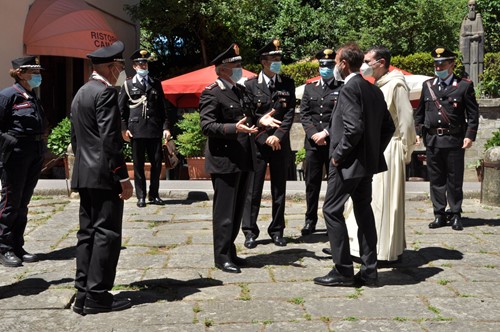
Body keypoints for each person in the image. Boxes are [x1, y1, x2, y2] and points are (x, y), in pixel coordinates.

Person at [313, 43, 395, 287]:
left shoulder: (350, 88)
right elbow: (388, 127)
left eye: (336, 60)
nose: (335, 65)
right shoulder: (372, 89)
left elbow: (354, 128)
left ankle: (343, 270)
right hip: (365, 165)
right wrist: (371, 151)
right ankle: (369, 270)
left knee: (331, 211)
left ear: (343, 64)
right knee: (363, 212)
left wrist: (339, 155)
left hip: (347, 165)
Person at [199, 43, 280, 273]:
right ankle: (221, 256)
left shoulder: (240, 90)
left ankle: (230, 250)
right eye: (235, 65)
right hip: (224, 159)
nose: (239, 68)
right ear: (222, 68)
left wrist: (261, 120)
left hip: (244, 157)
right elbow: (207, 125)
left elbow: (251, 116)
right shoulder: (212, 92)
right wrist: (233, 128)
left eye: (239, 65)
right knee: (224, 212)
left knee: (236, 211)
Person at [70, 40, 134, 314]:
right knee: (106, 234)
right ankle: (98, 295)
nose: (122, 71)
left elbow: (76, 139)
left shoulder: (82, 92)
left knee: (87, 234)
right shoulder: (105, 93)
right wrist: (122, 177)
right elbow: (110, 141)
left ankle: (83, 291)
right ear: (110, 67)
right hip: (104, 174)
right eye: (120, 66)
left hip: (85, 173)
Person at [344, 46, 417, 262]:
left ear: (382, 62)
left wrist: (406, 149)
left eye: (368, 61)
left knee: (383, 200)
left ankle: (383, 250)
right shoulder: (378, 84)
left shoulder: (396, 84)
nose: (364, 65)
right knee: (368, 199)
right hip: (375, 146)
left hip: (390, 147)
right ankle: (359, 247)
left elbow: (406, 120)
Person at [415, 47, 479, 231]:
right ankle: (439, 214)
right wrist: (418, 132)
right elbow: (420, 113)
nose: (438, 66)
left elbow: (473, 114)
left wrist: (470, 136)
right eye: (436, 63)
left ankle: (456, 213)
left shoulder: (464, 86)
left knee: (454, 179)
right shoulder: (428, 86)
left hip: (453, 139)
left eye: (442, 63)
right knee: (436, 179)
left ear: (451, 64)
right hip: (433, 140)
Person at [242, 39, 296, 249]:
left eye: (279, 58)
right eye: (274, 59)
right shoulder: (250, 85)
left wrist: (278, 136)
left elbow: (290, 113)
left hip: (280, 143)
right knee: (253, 190)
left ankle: (277, 230)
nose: (278, 62)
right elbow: (248, 115)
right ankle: (250, 231)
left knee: (279, 189)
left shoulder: (287, 83)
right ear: (263, 62)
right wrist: (265, 137)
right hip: (258, 142)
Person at [0, 56, 46, 267]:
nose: (38, 76)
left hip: (34, 152)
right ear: (20, 72)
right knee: (10, 202)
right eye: (33, 72)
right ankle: (4, 247)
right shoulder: (8, 96)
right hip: (16, 154)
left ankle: (18, 245)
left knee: (23, 203)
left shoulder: (32, 95)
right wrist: (9, 142)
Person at [118, 49, 170, 208]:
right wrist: (123, 128)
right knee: (138, 165)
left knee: (156, 164)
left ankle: (154, 194)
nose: (143, 65)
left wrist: (166, 127)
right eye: (139, 63)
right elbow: (121, 110)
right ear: (134, 66)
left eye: (145, 63)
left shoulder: (155, 83)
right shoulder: (128, 84)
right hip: (136, 130)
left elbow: (163, 109)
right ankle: (141, 196)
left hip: (154, 129)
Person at [299, 48, 343, 236]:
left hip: (332, 143)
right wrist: (313, 134)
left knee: (334, 185)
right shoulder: (310, 88)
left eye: (329, 65)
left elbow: (340, 116)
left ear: (334, 67)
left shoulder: (341, 88)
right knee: (312, 184)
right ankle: (310, 220)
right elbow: (305, 114)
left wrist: (325, 133)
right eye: (322, 65)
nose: (325, 68)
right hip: (313, 144)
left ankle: (333, 221)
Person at [460, 0, 484, 87]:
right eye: (470, 5)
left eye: (473, 5)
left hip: (476, 48)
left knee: (477, 64)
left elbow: (481, 33)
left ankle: (478, 87)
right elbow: (462, 34)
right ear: (468, 6)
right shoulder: (465, 19)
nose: (471, 7)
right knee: (466, 64)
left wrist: (470, 36)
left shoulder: (478, 17)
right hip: (467, 48)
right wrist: (471, 36)